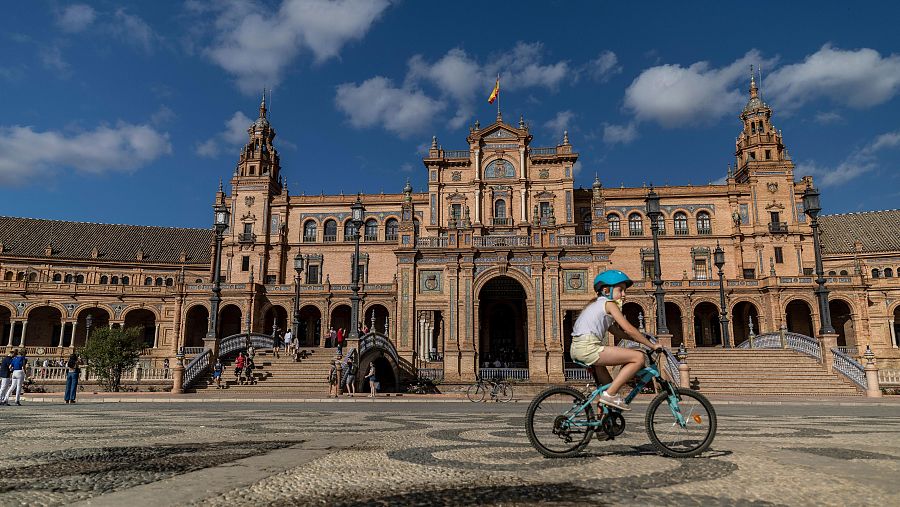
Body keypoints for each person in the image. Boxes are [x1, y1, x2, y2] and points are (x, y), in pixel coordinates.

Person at [570, 270, 660, 411]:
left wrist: (638, 339)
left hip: (578, 348)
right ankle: (608, 395)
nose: (624, 294)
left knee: (609, 387)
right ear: (606, 290)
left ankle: (601, 427)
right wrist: (652, 345)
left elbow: (618, 331)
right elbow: (628, 328)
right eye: (620, 290)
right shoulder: (609, 304)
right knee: (638, 357)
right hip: (589, 348)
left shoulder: (596, 305)